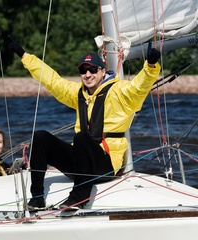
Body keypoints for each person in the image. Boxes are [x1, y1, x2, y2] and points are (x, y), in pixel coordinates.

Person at [8, 35, 161, 211]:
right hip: (80, 162)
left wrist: (150, 67)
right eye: (83, 71)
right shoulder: (78, 93)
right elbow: (52, 80)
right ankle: (36, 199)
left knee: (82, 137)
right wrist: (24, 56)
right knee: (41, 137)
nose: (87, 74)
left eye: (92, 70)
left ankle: (79, 199)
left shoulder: (120, 92)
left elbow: (139, 88)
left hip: (107, 164)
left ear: (103, 71)